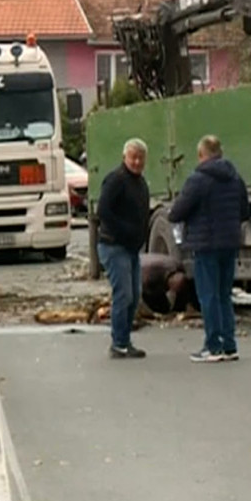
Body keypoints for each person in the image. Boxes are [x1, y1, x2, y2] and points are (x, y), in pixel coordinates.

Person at [168, 135, 249, 363]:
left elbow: (178, 212)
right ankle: (229, 345)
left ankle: (213, 346)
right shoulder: (236, 178)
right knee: (224, 295)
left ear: (201, 155)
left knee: (208, 296)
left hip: (205, 245)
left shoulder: (198, 179)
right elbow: (244, 210)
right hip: (230, 243)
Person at [96, 138, 150, 358]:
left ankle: (125, 340)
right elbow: (104, 210)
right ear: (124, 157)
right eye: (133, 157)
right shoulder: (116, 180)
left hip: (132, 248)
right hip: (113, 245)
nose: (136, 162)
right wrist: (124, 230)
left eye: (140, 158)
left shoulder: (140, 182)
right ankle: (118, 342)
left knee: (135, 294)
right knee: (124, 294)